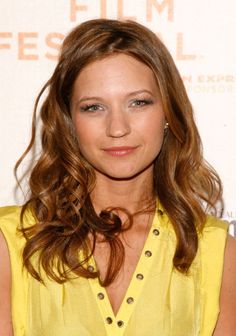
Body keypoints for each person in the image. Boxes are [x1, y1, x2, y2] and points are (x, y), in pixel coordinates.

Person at [0, 19, 235, 336]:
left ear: (167, 112)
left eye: (138, 102)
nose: (117, 128)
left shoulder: (216, 252)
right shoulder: (12, 241)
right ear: (69, 121)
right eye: (94, 107)